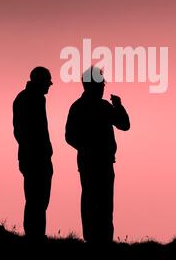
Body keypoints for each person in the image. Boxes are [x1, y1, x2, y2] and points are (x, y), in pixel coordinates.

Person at [65, 66, 130, 243]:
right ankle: (94, 240)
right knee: (93, 200)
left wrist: (118, 106)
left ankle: (102, 240)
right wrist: (88, 149)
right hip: (91, 162)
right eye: (101, 84)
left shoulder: (102, 107)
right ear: (91, 85)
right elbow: (70, 136)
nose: (103, 87)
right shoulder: (81, 107)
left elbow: (124, 125)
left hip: (102, 161)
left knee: (103, 202)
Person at [13, 66, 53, 240]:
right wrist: (34, 151)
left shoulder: (34, 98)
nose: (49, 85)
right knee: (35, 199)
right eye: (47, 82)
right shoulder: (27, 99)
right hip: (34, 157)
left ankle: (36, 234)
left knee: (39, 199)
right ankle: (34, 236)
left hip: (39, 156)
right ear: (40, 81)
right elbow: (20, 131)